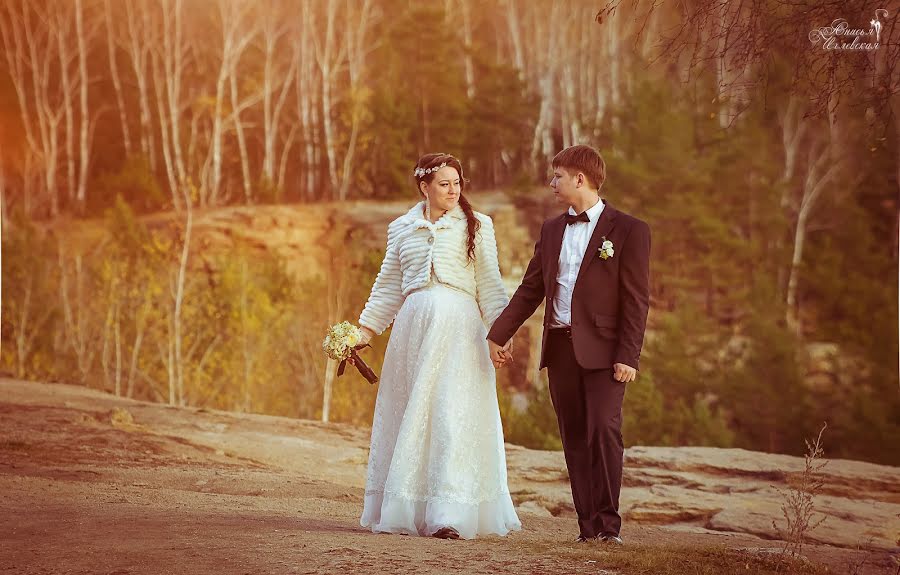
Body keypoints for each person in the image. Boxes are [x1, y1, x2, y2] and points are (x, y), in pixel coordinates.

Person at [487, 145, 651, 545]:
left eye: (557, 175)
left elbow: (636, 299)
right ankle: (587, 527)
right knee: (574, 437)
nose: (552, 183)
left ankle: (609, 528)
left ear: (580, 178)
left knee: (604, 431)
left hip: (606, 354)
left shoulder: (630, 229)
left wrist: (627, 356)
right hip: (560, 350)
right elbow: (530, 289)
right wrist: (497, 333)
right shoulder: (551, 229)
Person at [354, 153, 521, 540]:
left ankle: (449, 513)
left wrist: (500, 333)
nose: (453, 190)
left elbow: (491, 285)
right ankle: (407, 508)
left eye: (457, 182)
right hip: (412, 334)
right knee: (411, 416)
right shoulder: (401, 228)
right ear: (424, 186)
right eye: (444, 183)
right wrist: (363, 332)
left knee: (450, 414)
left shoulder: (479, 226)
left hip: (461, 333)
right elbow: (388, 288)